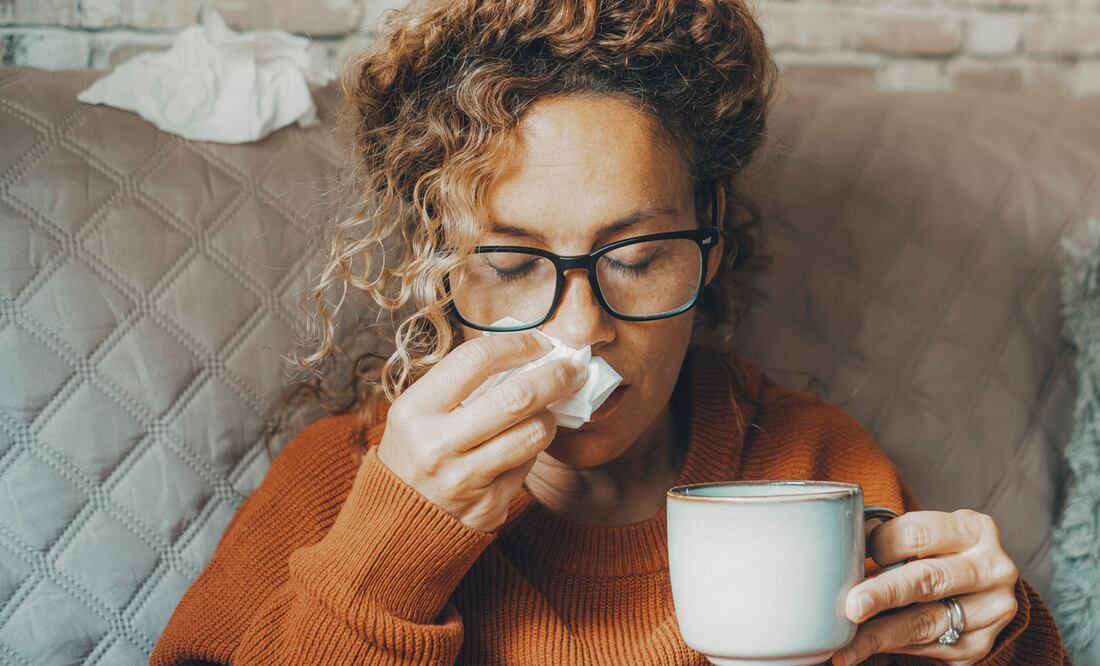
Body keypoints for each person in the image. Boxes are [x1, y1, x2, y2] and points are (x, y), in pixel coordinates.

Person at [150, 0, 1069, 664]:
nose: (580, 329)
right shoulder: (346, 482)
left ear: (710, 239)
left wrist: (996, 637)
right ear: (443, 264)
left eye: (635, 257)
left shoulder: (811, 469)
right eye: (512, 263)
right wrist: (384, 563)